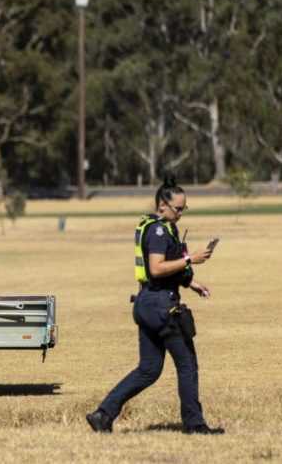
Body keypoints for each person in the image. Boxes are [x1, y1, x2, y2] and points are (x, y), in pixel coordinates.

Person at [86, 176, 225, 435]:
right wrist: (189, 259)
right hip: (161, 306)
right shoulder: (159, 231)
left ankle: (103, 414)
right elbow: (157, 268)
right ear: (163, 205)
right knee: (187, 364)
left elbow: (162, 272)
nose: (182, 213)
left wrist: (192, 282)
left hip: (148, 303)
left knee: (149, 369)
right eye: (178, 208)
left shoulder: (163, 226)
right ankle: (195, 425)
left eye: (185, 208)